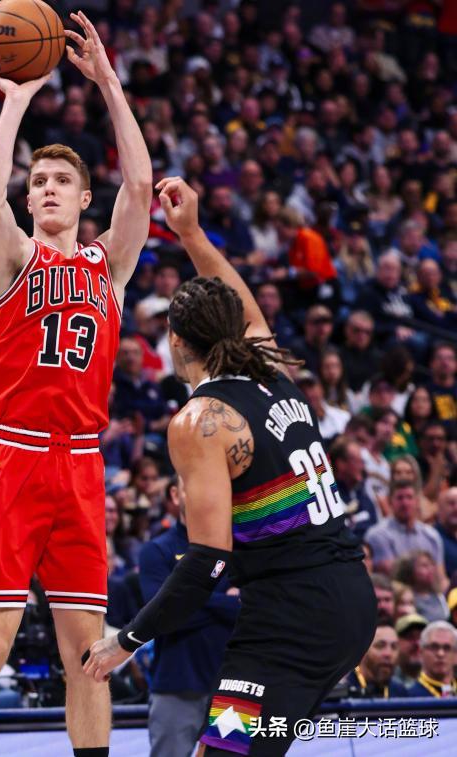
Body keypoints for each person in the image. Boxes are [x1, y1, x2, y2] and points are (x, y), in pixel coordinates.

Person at [83, 176, 375, 757]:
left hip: (291, 620)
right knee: (223, 749)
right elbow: (245, 306)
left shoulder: (200, 421)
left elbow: (208, 562)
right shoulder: (272, 368)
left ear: (175, 340)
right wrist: (190, 233)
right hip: (348, 600)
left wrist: (127, 640)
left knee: (226, 753)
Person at [0, 14, 152, 757]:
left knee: (89, 655)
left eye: (64, 180)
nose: (50, 188)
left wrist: (109, 84)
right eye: (39, 182)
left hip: (81, 464)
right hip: (12, 456)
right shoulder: (12, 258)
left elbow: (142, 185)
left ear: (85, 199)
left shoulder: (107, 268)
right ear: (28, 201)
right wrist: (18, 100)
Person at [141, 480, 239, 757]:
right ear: (175, 494)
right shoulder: (156, 551)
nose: (203, 487)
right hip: (176, 682)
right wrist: (224, 601)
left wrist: (186, 600)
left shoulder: (239, 548)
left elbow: (249, 608)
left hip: (234, 686)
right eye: (192, 482)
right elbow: (160, 614)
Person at [365, 480, 446, 578]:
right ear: (390, 502)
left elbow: (440, 577)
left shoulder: (431, 535)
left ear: (417, 501)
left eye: (409, 497)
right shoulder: (377, 534)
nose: (405, 503)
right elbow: (391, 572)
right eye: (400, 498)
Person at [346, 619, 408, 698]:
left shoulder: (400, 692)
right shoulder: (344, 690)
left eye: (394, 647)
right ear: (363, 649)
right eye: (380, 646)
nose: (388, 654)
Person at [406, 621, 457, 697]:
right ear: (421, 652)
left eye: (447, 648)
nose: (440, 654)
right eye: (434, 647)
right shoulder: (408, 696)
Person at [393, 613, 427, 688]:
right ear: (395, 643)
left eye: (422, 638)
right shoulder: (387, 682)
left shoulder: (438, 680)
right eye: (410, 637)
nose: (417, 643)